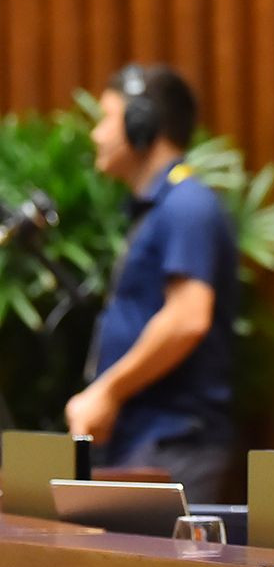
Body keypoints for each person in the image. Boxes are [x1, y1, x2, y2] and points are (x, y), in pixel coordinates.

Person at [68, 64, 241, 502]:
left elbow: (187, 319)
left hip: (172, 441)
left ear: (141, 123)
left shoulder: (187, 205)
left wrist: (106, 391)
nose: (96, 135)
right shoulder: (155, 209)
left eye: (107, 118)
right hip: (143, 438)